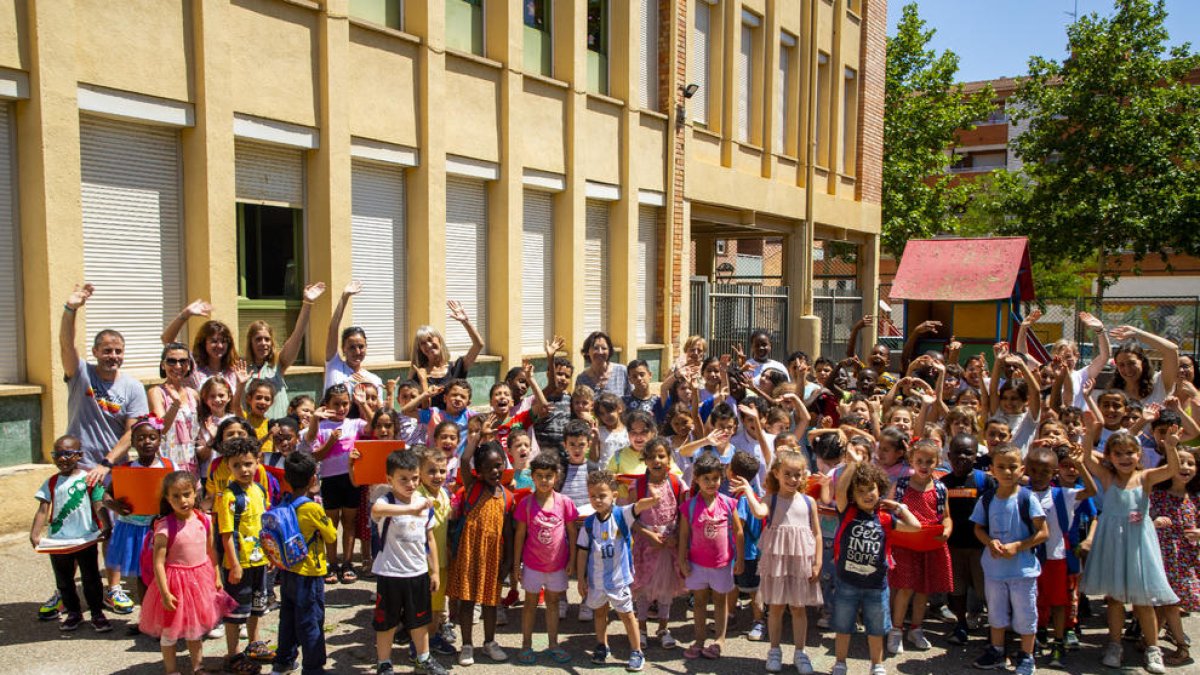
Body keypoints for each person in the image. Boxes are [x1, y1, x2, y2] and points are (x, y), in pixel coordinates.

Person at [61, 283, 149, 618]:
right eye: (107, 350)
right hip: (76, 468)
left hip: (113, 468)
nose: (113, 356)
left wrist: (106, 463)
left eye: (118, 351)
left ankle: (113, 588)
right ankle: (64, 589)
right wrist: (71, 310)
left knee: (112, 527)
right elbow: (66, 345)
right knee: (71, 532)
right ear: (96, 352)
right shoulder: (80, 374)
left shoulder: (133, 387)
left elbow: (133, 432)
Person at [1081, 415, 1182, 673]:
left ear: (1139, 454)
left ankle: (1153, 648)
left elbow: (1171, 470)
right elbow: (1085, 458)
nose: (1125, 458)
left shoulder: (1146, 478)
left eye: (1130, 453)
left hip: (1138, 543)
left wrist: (1170, 447)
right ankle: (1114, 645)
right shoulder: (1107, 476)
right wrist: (1089, 433)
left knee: (1143, 600)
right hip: (1113, 542)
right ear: (1110, 456)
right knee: (1114, 599)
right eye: (1118, 453)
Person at [830, 456, 923, 675]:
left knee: (876, 629)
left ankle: (877, 664)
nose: (867, 495)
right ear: (853, 495)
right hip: (847, 583)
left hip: (876, 586)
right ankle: (840, 663)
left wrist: (899, 507)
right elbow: (841, 489)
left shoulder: (885, 519)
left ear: (879, 488)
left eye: (871, 489)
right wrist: (854, 464)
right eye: (860, 491)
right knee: (843, 627)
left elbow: (916, 526)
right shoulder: (848, 512)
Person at [140, 471, 237, 675]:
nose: (183, 500)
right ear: (167, 498)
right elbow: (158, 563)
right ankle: (171, 670)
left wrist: (216, 575)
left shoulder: (204, 520)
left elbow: (211, 551)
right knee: (169, 632)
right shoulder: (165, 527)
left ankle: (198, 667)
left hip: (199, 580)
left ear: (195, 493)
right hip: (174, 583)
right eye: (175, 496)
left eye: (187, 494)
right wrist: (165, 593)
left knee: (195, 629)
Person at [738, 449, 823, 674]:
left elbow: (816, 534)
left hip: (800, 562)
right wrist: (748, 490)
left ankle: (800, 652)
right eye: (788, 474)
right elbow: (758, 512)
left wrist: (817, 562)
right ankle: (774, 650)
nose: (793, 479)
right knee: (775, 607)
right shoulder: (771, 498)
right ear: (776, 473)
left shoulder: (809, 501)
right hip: (777, 562)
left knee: (798, 608)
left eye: (798, 475)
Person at [969, 444, 1049, 675]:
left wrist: (1018, 546)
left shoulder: (1027, 498)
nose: (1007, 472)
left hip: (1022, 570)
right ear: (992, 470)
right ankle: (996, 650)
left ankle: (1026, 655)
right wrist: (989, 542)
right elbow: (978, 528)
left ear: (1021, 469)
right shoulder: (987, 499)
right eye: (1001, 467)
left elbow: (1043, 533)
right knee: (996, 612)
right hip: (995, 570)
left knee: (1026, 613)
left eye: (1012, 467)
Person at [371, 449, 450, 675]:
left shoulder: (423, 504)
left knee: (419, 620)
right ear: (390, 479)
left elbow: (430, 539)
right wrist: (409, 509)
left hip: (417, 573)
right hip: (390, 573)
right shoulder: (385, 500)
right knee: (386, 623)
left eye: (414, 478)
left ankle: (423, 658)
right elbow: (377, 510)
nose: (411, 483)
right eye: (403, 479)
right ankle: (384, 663)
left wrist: (434, 571)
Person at [576, 470, 659, 672]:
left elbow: (638, 506)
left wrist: (654, 499)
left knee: (627, 615)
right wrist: (580, 579)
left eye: (602, 495)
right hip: (596, 581)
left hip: (619, 580)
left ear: (614, 494)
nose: (597, 500)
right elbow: (582, 552)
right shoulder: (588, 524)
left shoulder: (622, 514)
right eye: (593, 496)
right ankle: (602, 646)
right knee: (599, 614)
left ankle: (636, 651)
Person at [1025, 444, 1096, 670]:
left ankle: (1058, 641)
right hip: (1028, 556)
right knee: (1033, 601)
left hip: (1055, 557)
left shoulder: (1061, 494)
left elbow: (1091, 491)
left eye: (1045, 471)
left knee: (1058, 602)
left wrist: (1080, 465)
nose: (1038, 476)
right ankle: (1033, 639)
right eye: (1033, 470)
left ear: (1054, 473)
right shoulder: (1022, 492)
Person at [30, 435, 111, 633]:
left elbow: (99, 503)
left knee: (91, 578)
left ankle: (97, 613)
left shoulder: (89, 479)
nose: (62, 458)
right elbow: (43, 509)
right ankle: (74, 613)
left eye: (68, 453)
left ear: (79, 455)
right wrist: (35, 533)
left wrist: (106, 525)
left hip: (85, 539)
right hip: (59, 541)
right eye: (57, 454)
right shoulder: (51, 483)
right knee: (64, 580)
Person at [448, 442, 514, 666]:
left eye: (498, 465)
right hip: (469, 554)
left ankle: (489, 642)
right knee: (467, 601)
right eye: (488, 467)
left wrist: (509, 561)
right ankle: (467, 645)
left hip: (493, 558)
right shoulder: (473, 488)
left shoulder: (507, 496)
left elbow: (508, 531)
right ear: (479, 470)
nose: (495, 471)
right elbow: (464, 461)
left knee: (490, 603)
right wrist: (475, 436)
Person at [886, 439, 953, 655]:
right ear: (912, 461)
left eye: (929, 461)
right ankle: (896, 630)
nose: (924, 465)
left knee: (923, 589)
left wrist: (946, 531)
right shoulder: (902, 485)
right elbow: (888, 512)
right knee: (905, 588)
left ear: (938, 462)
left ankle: (916, 628)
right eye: (919, 461)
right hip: (905, 544)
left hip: (929, 544)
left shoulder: (941, 489)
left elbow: (946, 518)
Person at [214, 437, 274, 672]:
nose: (244, 469)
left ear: (258, 462)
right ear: (228, 466)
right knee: (235, 612)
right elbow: (226, 535)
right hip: (239, 564)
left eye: (248, 463)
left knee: (256, 606)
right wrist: (235, 565)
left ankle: (254, 644)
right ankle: (233, 654)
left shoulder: (259, 490)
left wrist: (270, 555)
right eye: (237, 465)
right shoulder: (229, 497)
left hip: (259, 560)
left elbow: (264, 527)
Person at [102, 417, 173, 613]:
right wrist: (114, 505)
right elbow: (106, 495)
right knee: (143, 576)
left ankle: (163, 614)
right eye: (141, 438)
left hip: (159, 528)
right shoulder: (126, 469)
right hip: (134, 529)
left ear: (160, 440)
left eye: (152, 437)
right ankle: (147, 617)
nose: (147, 442)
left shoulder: (167, 466)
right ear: (132, 442)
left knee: (163, 573)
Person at [512, 451, 578, 665]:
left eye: (548, 476)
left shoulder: (565, 502)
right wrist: (516, 566)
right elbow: (520, 536)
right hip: (532, 565)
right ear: (532, 476)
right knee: (530, 605)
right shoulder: (526, 504)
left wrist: (573, 560)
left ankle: (553, 644)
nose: (544, 480)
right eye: (539, 475)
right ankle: (526, 644)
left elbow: (572, 532)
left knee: (552, 603)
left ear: (556, 476)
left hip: (557, 565)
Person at [678, 453, 744, 661]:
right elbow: (684, 535)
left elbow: (738, 532)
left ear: (721, 479)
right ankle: (699, 640)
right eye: (705, 478)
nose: (711, 483)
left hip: (722, 564)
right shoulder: (689, 506)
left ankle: (719, 639)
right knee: (698, 602)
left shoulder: (727, 503)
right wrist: (682, 560)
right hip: (697, 564)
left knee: (720, 600)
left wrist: (740, 559)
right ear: (696, 479)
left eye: (715, 478)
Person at [307, 383, 374, 584]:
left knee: (349, 522)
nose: (341, 408)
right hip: (329, 480)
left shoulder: (354, 423)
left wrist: (363, 404)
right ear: (326, 404)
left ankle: (347, 563)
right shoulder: (322, 426)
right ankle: (332, 563)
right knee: (331, 524)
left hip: (351, 479)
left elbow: (374, 424)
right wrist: (329, 440)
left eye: (345, 403)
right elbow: (316, 456)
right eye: (336, 404)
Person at [629, 438, 686, 650]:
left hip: (668, 546)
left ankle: (663, 628)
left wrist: (677, 535)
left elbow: (682, 515)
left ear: (669, 459)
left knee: (665, 590)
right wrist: (646, 534)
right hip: (646, 545)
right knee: (643, 588)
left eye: (661, 455)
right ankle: (641, 628)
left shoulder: (677, 483)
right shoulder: (638, 485)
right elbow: (630, 517)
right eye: (651, 456)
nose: (656, 460)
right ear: (645, 460)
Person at [942, 432, 995, 645]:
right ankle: (960, 624)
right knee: (957, 589)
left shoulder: (985, 481)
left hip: (979, 548)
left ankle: (995, 628)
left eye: (968, 453)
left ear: (976, 456)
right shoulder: (943, 483)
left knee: (985, 591)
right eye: (957, 452)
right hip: (954, 547)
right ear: (948, 455)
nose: (962, 457)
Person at [243, 282, 326, 418]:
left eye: (267, 339)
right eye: (258, 339)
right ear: (250, 342)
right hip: (254, 432)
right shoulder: (242, 368)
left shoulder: (278, 364)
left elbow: (297, 335)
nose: (263, 343)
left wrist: (307, 303)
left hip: (280, 431)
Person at [1150, 445, 1199, 666]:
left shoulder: (1196, 498)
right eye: (1180, 462)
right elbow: (1140, 521)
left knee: (1170, 602)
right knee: (1164, 602)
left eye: (1190, 463)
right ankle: (1148, 639)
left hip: (1185, 561)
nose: (1185, 467)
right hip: (1160, 558)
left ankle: (1182, 648)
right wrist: (1154, 522)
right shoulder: (1157, 495)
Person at [413, 445, 457, 655]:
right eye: (431, 471)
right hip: (423, 563)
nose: (437, 475)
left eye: (441, 470)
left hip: (442, 561)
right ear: (419, 473)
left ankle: (432, 637)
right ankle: (423, 645)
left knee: (438, 606)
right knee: (424, 607)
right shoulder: (418, 498)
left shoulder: (445, 494)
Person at [410, 300, 485, 409]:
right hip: (430, 424)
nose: (428, 345)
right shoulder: (418, 373)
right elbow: (411, 404)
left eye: (430, 340)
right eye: (423, 343)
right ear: (420, 349)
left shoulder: (456, 367)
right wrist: (423, 382)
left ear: (439, 340)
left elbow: (478, 345)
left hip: (455, 424)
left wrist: (465, 322)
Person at [161, 299, 239, 392]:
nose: (219, 346)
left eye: (223, 341)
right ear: (204, 343)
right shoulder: (193, 367)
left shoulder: (233, 371)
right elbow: (167, 339)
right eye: (214, 341)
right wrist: (186, 314)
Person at [324, 280, 384, 400]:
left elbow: (378, 413)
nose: (357, 352)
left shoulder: (375, 380)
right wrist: (345, 297)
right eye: (352, 347)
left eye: (361, 347)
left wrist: (369, 385)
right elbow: (333, 328)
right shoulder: (335, 366)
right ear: (343, 349)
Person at [148, 343, 201, 475]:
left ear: (188, 365)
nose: (178, 366)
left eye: (183, 361)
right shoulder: (156, 392)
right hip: (169, 466)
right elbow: (161, 428)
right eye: (172, 361)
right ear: (162, 365)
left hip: (192, 465)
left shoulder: (193, 394)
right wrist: (175, 404)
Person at [1109, 325, 1180, 407]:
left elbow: (1172, 350)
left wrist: (1137, 333)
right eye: (1121, 365)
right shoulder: (1114, 393)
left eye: (1131, 363)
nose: (1127, 369)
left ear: (1142, 361)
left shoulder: (1159, 383)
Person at [576, 331, 631, 397]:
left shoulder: (622, 372)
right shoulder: (582, 379)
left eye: (604, 348)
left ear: (609, 351)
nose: (600, 352)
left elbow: (632, 399)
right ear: (587, 351)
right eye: (595, 348)